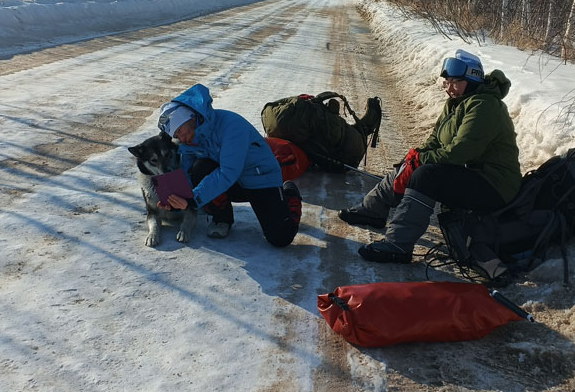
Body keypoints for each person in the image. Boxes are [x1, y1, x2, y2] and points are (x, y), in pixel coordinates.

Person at [338, 49, 522, 263]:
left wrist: (421, 161)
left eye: (455, 82)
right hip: (475, 175)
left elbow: (461, 151)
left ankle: (399, 244)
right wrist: (415, 157)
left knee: (426, 176)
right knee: (412, 163)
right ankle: (373, 210)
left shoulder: (486, 106)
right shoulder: (457, 103)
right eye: (446, 82)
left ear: (471, 78)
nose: (449, 88)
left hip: (496, 185)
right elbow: (436, 141)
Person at [157, 83, 302, 247]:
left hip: (261, 179)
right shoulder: (191, 140)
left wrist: (192, 201)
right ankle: (222, 219)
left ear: (192, 118)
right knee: (199, 169)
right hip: (234, 182)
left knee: (280, 238)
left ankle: (289, 194)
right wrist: (176, 200)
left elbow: (227, 173)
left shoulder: (230, 126)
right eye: (176, 135)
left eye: (181, 131)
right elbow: (188, 175)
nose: (181, 138)